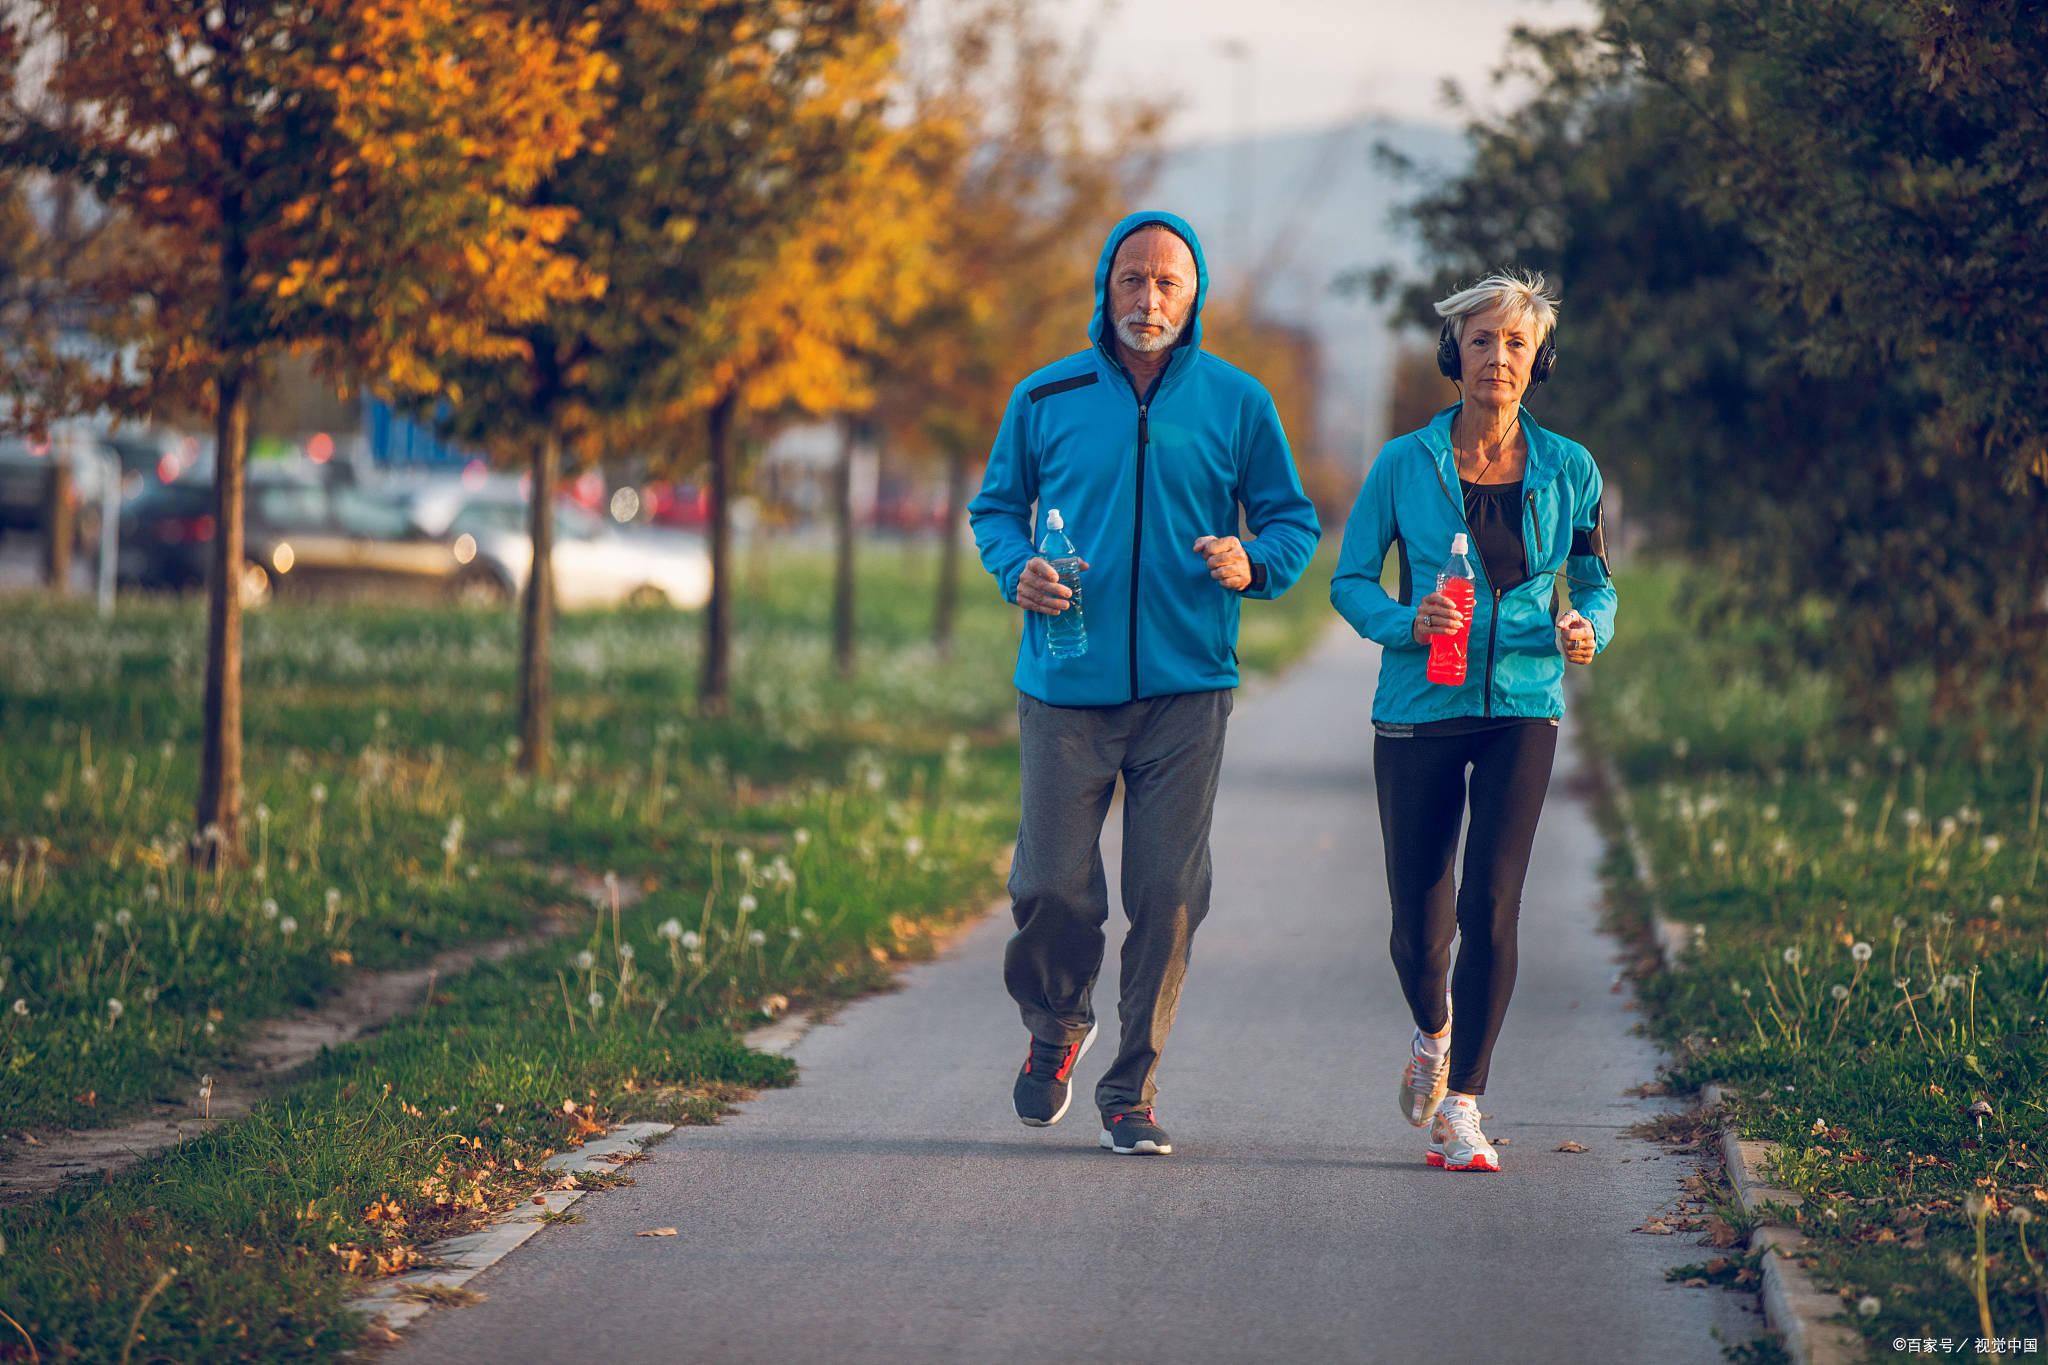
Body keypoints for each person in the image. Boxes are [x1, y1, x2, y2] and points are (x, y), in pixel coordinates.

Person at [968, 211, 1321, 1156]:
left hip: (1186, 686)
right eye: (1133, 278)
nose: (1149, 297)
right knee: (1052, 886)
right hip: (1063, 678)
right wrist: (1016, 569)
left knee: (1167, 894)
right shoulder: (1045, 397)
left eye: (1169, 281)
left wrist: (1253, 560)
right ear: (1105, 286)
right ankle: (1055, 1024)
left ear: (1194, 293)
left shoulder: (1239, 403)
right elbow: (995, 507)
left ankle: (1131, 1087)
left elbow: (1292, 521)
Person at [1329, 269, 1617, 1172]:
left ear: (1541, 361)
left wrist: (1585, 627)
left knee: (1495, 905)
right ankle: (1432, 1029)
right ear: (1455, 355)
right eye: (1484, 340)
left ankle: (1464, 1105)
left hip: (1523, 704)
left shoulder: (1571, 468)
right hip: (1419, 704)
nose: (1500, 357)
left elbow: (1597, 582)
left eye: (1518, 343)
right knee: (1422, 929)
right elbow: (1347, 581)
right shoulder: (1399, 465)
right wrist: (1403, 620)